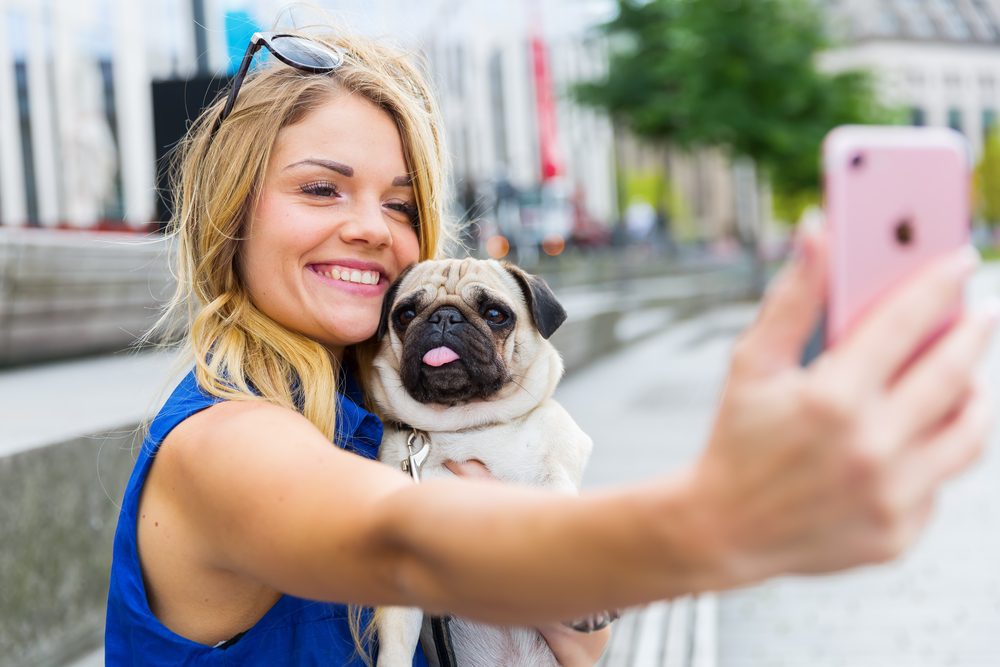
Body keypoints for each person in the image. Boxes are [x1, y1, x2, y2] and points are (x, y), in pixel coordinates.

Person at [105, 26, 996, 667]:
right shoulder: (224, 440)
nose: (371, 228)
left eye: (403, 203)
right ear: (232, 211)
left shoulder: (387, 412)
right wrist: (725, 514)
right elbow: (403, 547)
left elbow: (584, 637)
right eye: (321, 188)